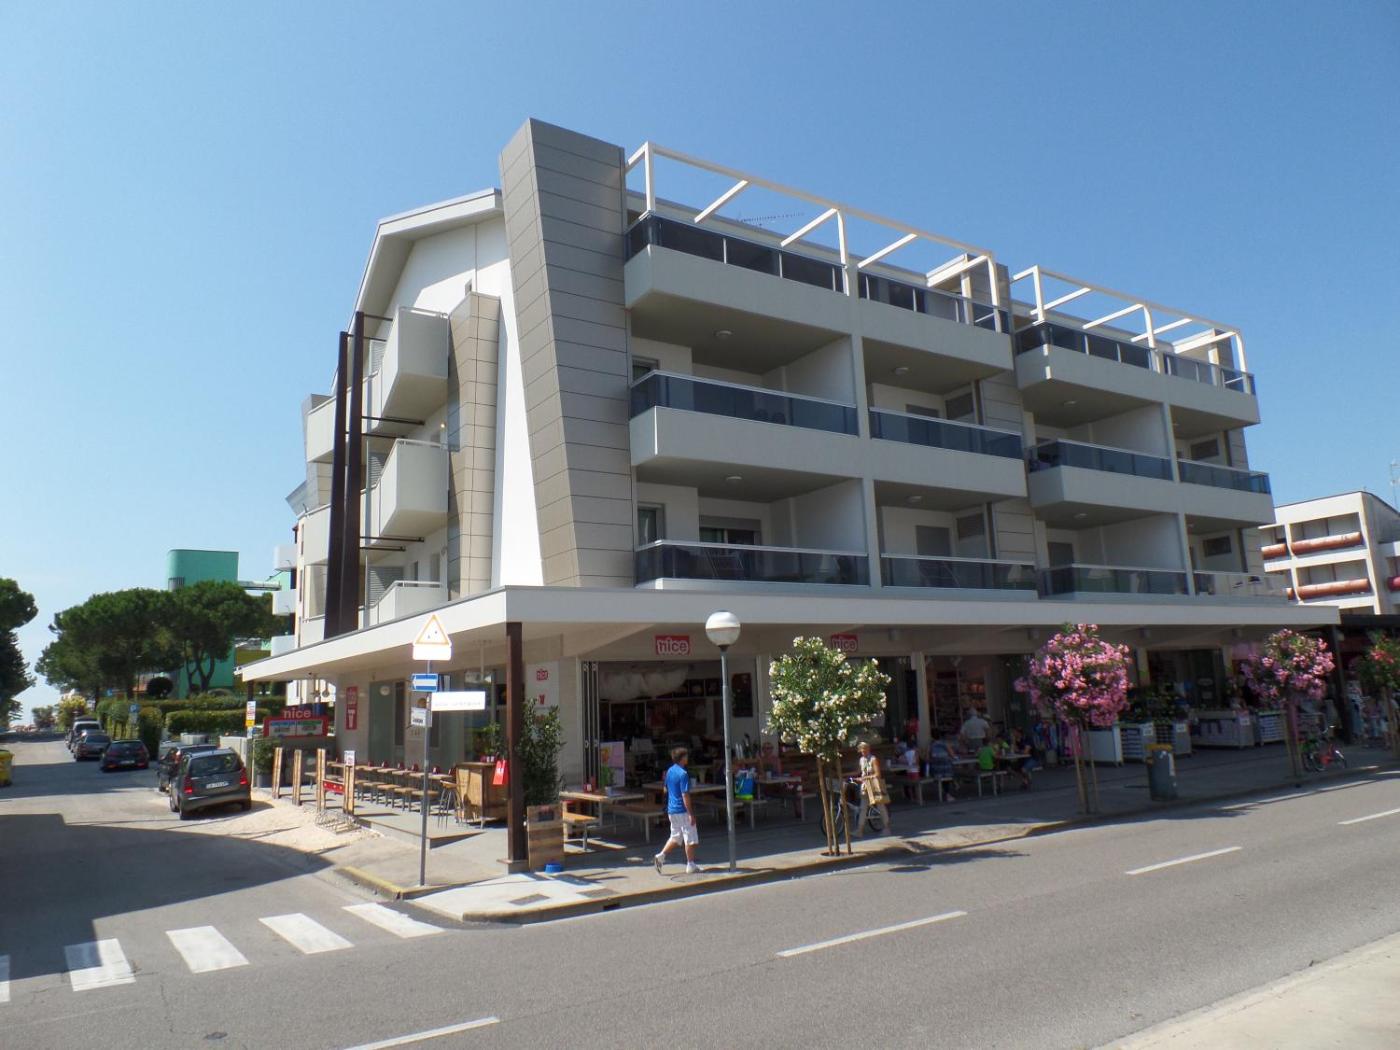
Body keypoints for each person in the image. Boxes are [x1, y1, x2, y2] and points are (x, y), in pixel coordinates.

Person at [654, 746, 700, 875]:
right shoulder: (683, 774)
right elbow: (685, 795)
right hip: (682, 810)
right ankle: (690, 864)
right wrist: (691, 813)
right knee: (690, 837)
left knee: (675, 837)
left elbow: (665, 789)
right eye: (686, 756)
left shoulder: (670, 771)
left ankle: (661, 856)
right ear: (682, 758)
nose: (688, 758)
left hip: (672, 810)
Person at [854, 741, 891, 838]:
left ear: (868, 749)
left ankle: (887, 828)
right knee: (863, 808)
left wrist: (864, 778)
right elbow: (858, 771)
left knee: (880, 806)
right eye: (861, 751)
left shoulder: (873, 759)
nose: (863, 752)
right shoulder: (861, 760)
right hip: (865, 786)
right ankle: (860, 830)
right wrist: (846, 775)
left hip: (874, 785)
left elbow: (878, 774)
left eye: (864, 750)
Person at [927, 731, 958, 801]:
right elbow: (952, 755)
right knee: (951, 772)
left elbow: (927, 758)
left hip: (935, 770)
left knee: (945, 773)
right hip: (946, 769)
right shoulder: (945, 744)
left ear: (932, 737)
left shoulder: (931, 745)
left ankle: (954, 783)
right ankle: (950, 790)